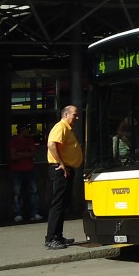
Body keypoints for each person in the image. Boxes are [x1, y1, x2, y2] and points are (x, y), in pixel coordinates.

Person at [45, 105, 83, 250]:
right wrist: (61, 164)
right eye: (75, 114)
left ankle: (58, 236)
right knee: (58, 204)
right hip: (61, 169)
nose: (77, 117)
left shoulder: (67, 128)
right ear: (66, 114)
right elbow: (51, 144)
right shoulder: (61, 127)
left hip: (66, 169)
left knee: (63, 204)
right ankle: (51, 238)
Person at [8, 123, 43, 223]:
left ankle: (33, 213)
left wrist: (20, 154)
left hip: (27, 168)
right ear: (22, 130)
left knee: (32, 191)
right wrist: (26, 155)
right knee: (18, 193)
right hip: (18, 169)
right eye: (26, 129)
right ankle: (18, 213)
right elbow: (13, 156)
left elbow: (32, 153)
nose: (28, 131)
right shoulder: (14, 141)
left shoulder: (29, 140)